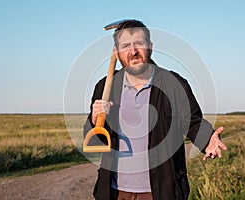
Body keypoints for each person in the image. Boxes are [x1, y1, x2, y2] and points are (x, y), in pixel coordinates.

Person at [83, 19, 227, 200]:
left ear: (150, 47)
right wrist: (95, 120)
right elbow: (95, 143)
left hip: (161, 192)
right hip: (115, 191)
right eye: (126, 46)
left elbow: (192, 122)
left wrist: (207, 139)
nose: (133, 52)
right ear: (117, 52)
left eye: (139, 44)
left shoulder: (173, 84)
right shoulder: (105, 88)